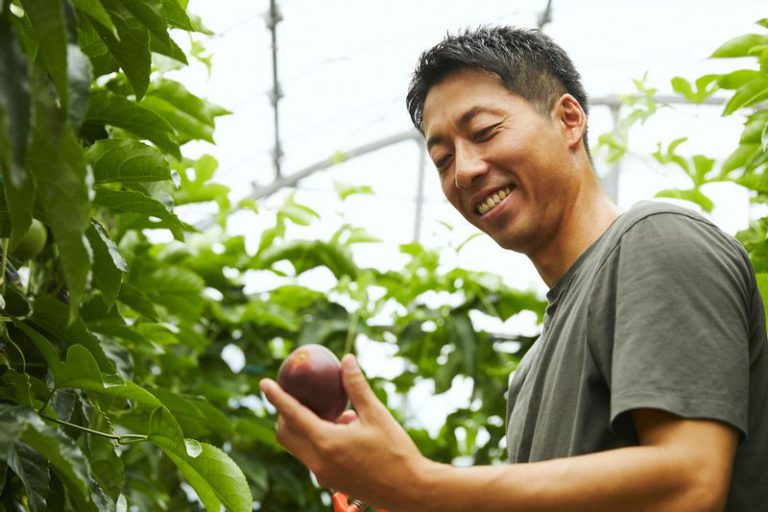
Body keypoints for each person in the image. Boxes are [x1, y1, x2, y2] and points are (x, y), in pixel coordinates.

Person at [260, 26, 768, 511]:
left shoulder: (656, 238)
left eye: (484, 131)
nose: (464, 170)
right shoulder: (528, 377)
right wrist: (397, 489)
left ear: (569, 120)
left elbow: (688, 483)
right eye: (441, 160)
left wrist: (419, 482)